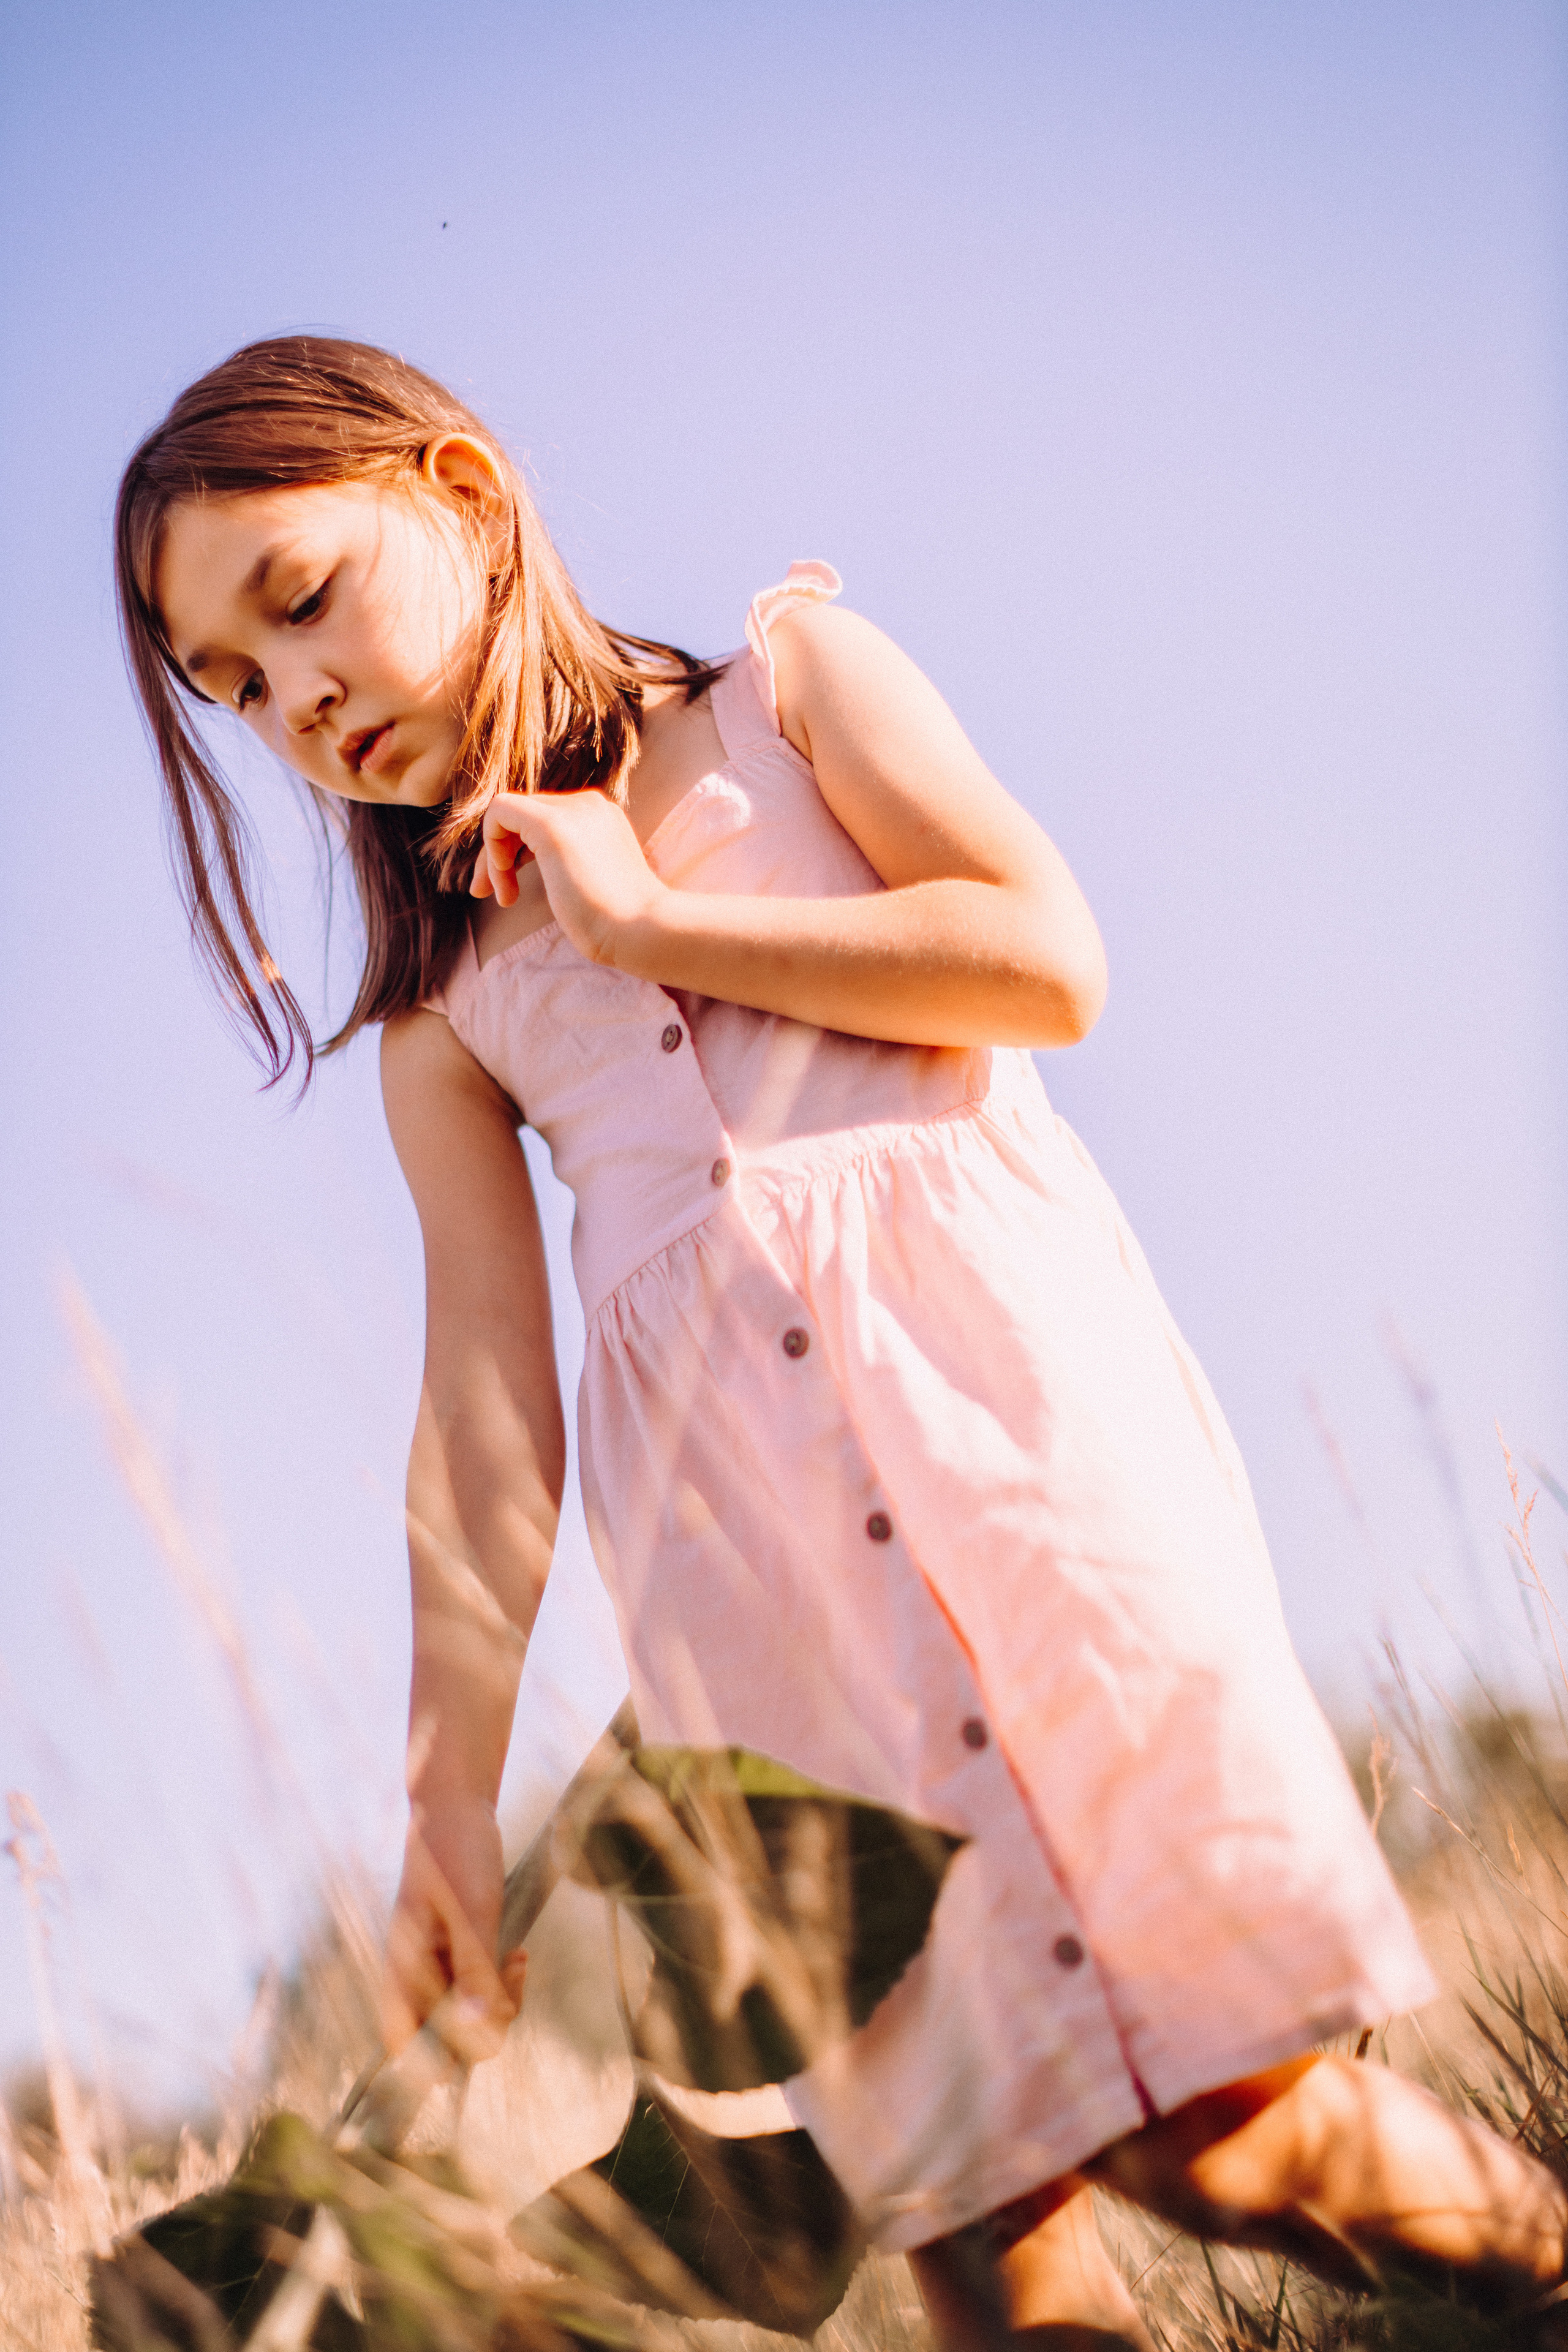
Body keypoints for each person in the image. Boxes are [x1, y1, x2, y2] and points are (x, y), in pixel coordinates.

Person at [115, 337, 1564, 2346]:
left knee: (1223, 2125)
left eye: (301, 601)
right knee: (982, 2223)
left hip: (1028, 1486)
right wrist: (446, 1797)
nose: (303, 702)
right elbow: (486, 1417)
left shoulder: (792, 696)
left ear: (460, 490)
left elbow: (1043, 960)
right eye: (239, 693)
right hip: (768, 1629)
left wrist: (654, 927)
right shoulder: (446, 1025)